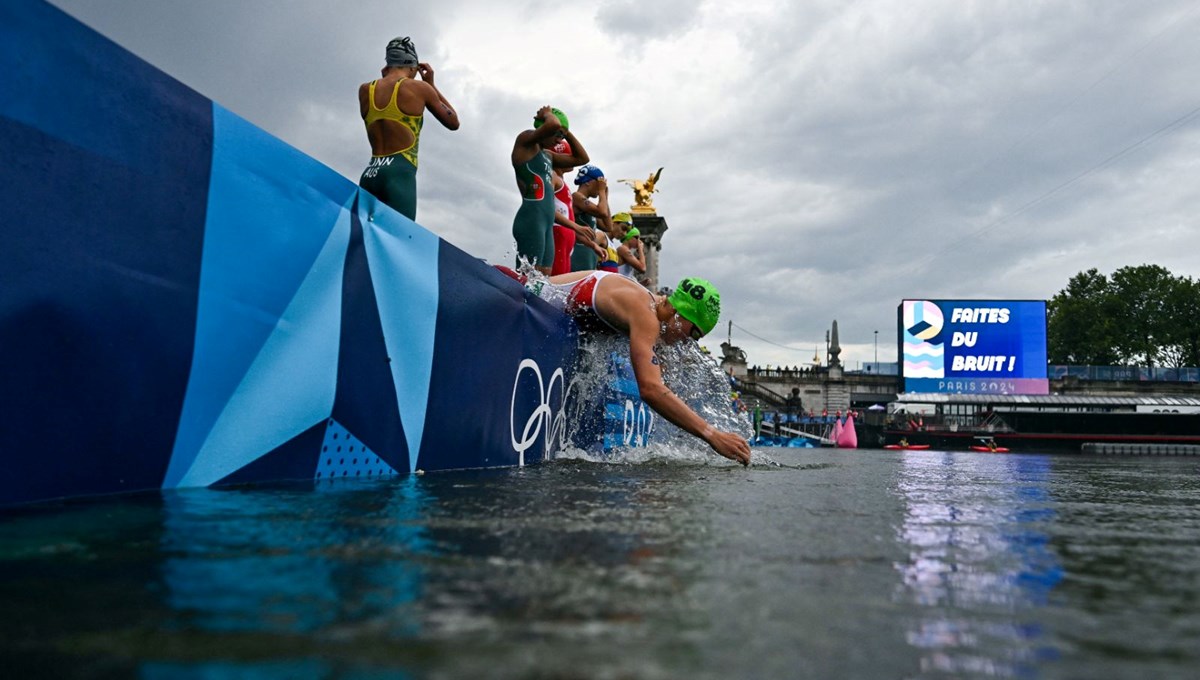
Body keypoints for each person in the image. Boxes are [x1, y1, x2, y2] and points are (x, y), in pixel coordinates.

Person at [505, 268, 751, 465]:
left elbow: (666, 389)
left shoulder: (655, 313)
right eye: (694, 333)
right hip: (513, 301)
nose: (689, 342)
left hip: (528, 310)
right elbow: (651, 389)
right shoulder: (645, 314)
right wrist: (712, 435)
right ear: (679, 313)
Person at [358, 37, 459, 221]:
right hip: (398, 174)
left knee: (360, 244)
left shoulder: (365, 90)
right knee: (399, 241)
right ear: (412, 66)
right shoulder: (419, 88)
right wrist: (431, 85)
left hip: (370, 173)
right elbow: (453, 122)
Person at [511, 107, 589, 273]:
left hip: (546, 222)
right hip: (531, 218)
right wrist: (547, 114)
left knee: (544, 279)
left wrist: (567, 132)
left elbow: (582, 158)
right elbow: (553, 123)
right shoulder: (525, 142)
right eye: (558, 134)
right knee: (527, 277)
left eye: (562, 136)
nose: (560, 141)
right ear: (544, 128)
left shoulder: (548, 155)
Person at [571, 164, 612, 271]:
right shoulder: (577, 197)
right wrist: (602, 192)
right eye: (599, 183)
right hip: (577, 255)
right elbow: (602, 212)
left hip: (588, 257)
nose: (601, 186)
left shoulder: (591, 208)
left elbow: (608, 226)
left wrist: (605, 198)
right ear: (588, 182)